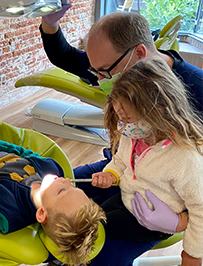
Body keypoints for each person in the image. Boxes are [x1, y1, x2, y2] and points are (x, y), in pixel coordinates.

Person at [40, 8, 203, 266]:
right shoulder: (114, 67)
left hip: (164, 198)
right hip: (123, 168)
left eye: (104, 72)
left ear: (138, 53)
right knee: (53, 196)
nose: (101, 81)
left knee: (96, 257)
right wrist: (50, 23)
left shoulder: (196, 91)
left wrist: (179, 222)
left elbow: (197, 192)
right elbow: (65, 56)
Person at [0, 106, 106, 265]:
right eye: (75, 188)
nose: (66, 180)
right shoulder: (52, 170)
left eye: (63, 190)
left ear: (41, 213)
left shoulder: (4, 207)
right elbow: (26, 154)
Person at [92, 57, 203, 264]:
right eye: (122, 120)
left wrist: (192, 254)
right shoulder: (134, 135)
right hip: (129, 197)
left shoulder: (185, 158)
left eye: (129, 120)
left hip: (156, 223)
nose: (125, 128)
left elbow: (200, 208)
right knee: (93, 216)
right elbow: (121, 161)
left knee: (95, 231)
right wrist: (111, 174)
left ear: (159, 109)